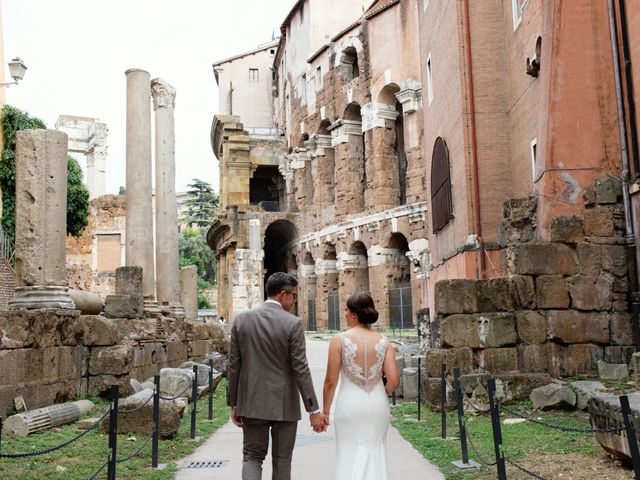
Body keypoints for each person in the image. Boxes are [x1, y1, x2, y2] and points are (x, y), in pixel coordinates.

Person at [228, 272, 327, 480]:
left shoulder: (241, 320)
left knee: (252, 457)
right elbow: (301, 368)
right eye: (293, 295)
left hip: (252, 402)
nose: (294, 300)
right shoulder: (292, 323)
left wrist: (234, 403)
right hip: (284, 405)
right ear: (282, 295)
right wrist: (313, 409)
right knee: (282, 460)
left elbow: (234, 366)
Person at [322, 292, 400, 480]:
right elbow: (394, 380)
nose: (345, 314)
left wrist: (325, 412)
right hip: (378, 403)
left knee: (348, 452)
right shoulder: (384, 341)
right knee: (377, 451)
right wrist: (384, 391)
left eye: (347, 311)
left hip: (350, 404)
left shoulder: (339, 340)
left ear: (355, 314)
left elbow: (330, 382)